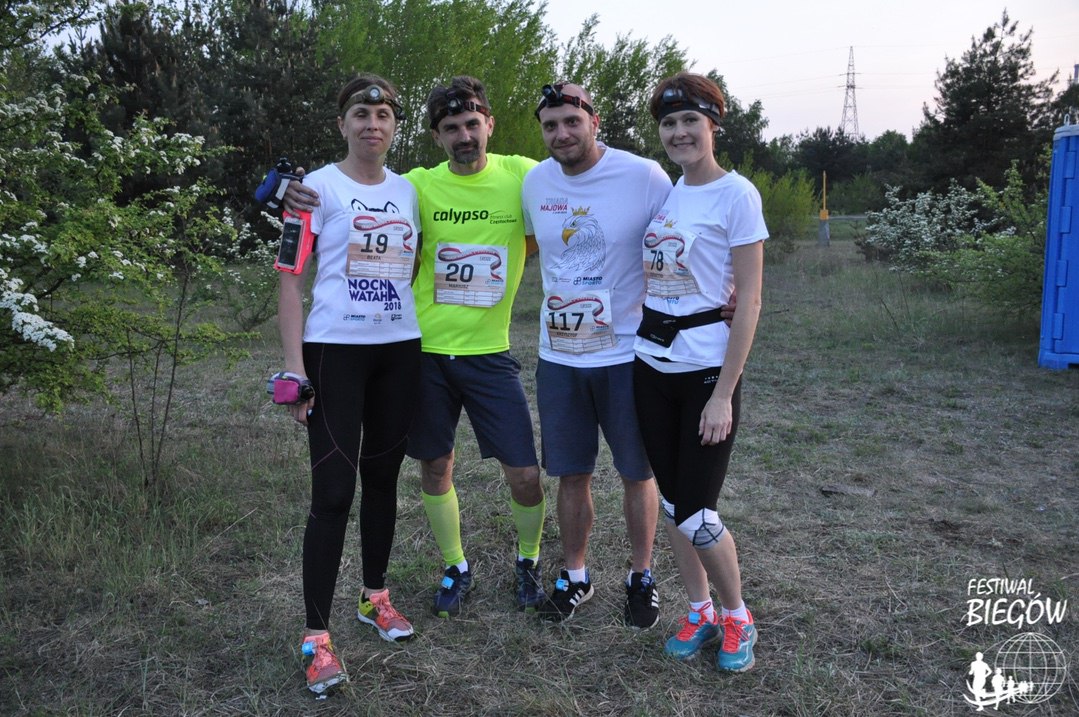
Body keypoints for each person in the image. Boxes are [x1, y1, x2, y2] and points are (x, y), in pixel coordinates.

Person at [283, 76, 547, 620]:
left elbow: (576, 192)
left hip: (446, 351)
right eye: (451, 128)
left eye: (472, 124)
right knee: (383, 479)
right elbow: (299, 258)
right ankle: (438, 573)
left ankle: (516, 563)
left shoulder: (488, 180)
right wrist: (277, 186)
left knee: (501, 474)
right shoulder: (372, 186)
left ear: (489, 124)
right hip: (382, 352)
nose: (464, 135)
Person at [277, 73, 422, 697]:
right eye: (361, 114)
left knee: (383, 480)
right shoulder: (313, 190)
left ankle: (374, 597)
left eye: (383, 115)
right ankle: (316, 637)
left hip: (399, 349)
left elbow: (415, 261)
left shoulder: (409, 190)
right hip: (335, 353)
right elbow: (289, 280)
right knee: (333, 493)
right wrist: (294, 370)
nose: (372, 124)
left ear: (394, 126)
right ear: (342, 124)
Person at [521, 82, 671, 628]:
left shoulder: (644, 176)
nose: (561, 133)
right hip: (560, 357)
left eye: (571, 122)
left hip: (627, 356)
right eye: (550, 125)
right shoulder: (535, 182)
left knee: (637, 472)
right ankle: (576, 576)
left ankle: (641, 577)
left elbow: (683, 241)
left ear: (594, 121)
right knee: (571, 473)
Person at [633, 72, 767, 673]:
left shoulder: (737, 194)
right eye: (669, 123)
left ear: (714, 125)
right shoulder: (668, 194)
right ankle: (699, 610)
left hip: (706, 372)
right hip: (650, 365)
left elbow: (751, 299)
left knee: (699, 512)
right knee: (672, 505)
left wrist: (724, 395)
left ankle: (738, 617)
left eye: (691, 120)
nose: (679, 132)